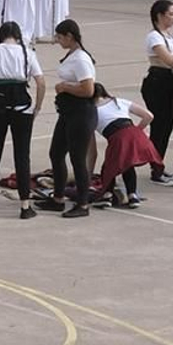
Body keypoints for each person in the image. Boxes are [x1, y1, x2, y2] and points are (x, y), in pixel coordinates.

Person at [0, 19, 44, 217]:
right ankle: (24, 205)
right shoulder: (27, 52)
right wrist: (37, 106)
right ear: (19, 36)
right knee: (22, 154)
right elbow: (40, 81)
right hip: (22, 104)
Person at [41, 20, 97, 217]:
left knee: (77, 158)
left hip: (81, 113)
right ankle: (58, 197)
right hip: (68, 113)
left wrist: (65, 87)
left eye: (60, 37)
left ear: (69, 36)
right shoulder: (72, 56)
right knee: (56, 153)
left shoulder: (81, 59)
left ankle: (82, 204)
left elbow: (88, 89)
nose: (57, 40)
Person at [141, 0, 173, 183]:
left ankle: (159, 164)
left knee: (167, 126)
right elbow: (170, 61)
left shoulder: (168, 37)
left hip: (170, 82)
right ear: (159, 16)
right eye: (171, 14)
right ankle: (155, 167)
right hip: (157, 83)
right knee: (160, 126)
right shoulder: (154, 37)